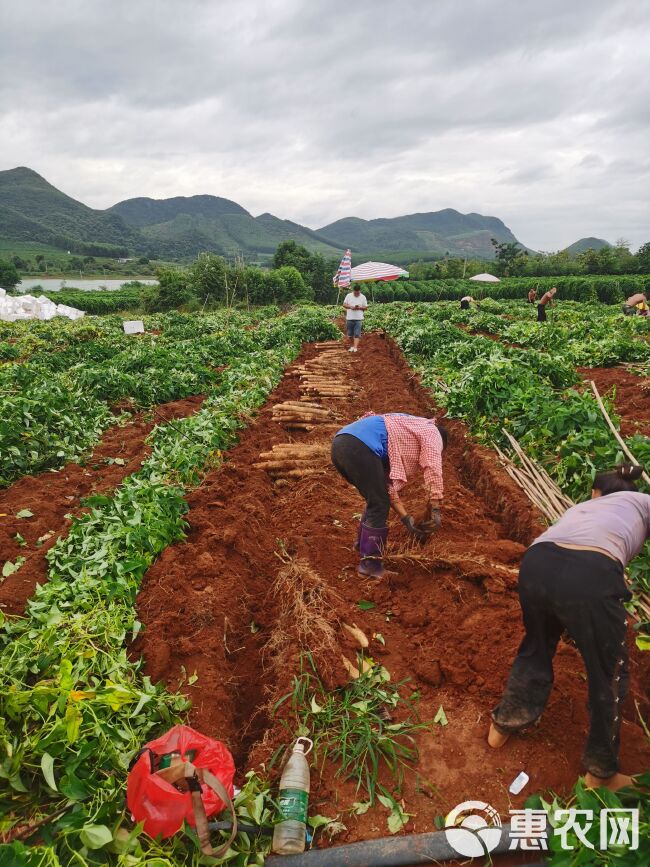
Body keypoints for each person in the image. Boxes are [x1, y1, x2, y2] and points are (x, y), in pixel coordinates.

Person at [488, 464, 649, 792]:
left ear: (596, 493)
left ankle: (504, 725)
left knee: (537, 645)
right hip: (590, 575)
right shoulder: (644, 503)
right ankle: (601, 773)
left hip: (537, 563)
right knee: (609, 673)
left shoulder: (585, 507)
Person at [331, 413, 447, 578]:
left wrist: (406, 519)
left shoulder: (404, 431)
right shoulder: (432, 432)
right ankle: (370, 565)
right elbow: (433, 466)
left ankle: (362, 546)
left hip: (341, 444)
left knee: (376, 499)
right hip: (357, 446)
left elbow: (386, 488)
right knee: (378, 503)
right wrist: (435, 506)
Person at [342, 285, 368, 352]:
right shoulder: (348, 296)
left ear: (360, 291)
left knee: (357, 334)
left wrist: (359, 307)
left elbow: (366, 307)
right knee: (350, 334)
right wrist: (351, 307)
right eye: (355, 293)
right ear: (353, 291)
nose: (356, 294)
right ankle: (352, 346)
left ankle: (355, 347)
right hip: (350, 318)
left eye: (358, 293)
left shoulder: (363, 297)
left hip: (358, 318)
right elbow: (344, 305)